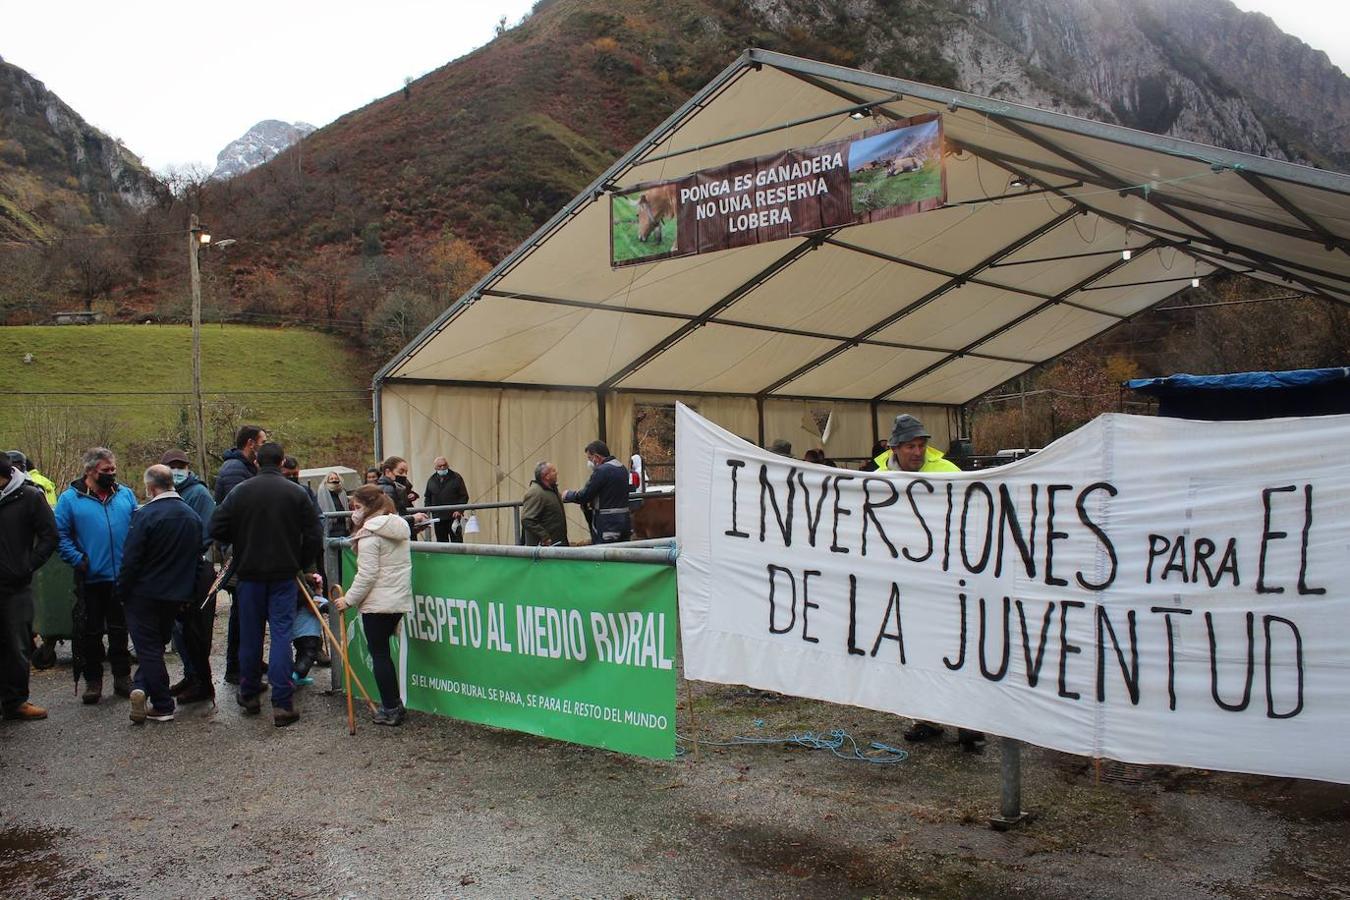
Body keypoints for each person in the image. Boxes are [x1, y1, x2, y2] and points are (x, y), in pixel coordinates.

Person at [875, 415, 982, 752]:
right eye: (910, 446)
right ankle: (925, 718)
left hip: (947, 579)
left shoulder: (948, 473)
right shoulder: (879, 479)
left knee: (958, 650)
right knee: (915, 651)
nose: (917, 451)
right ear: (895, 448)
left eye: (921, 445)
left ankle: (969, 722)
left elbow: (974, 512)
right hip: (905, 583)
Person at [209, 442, 322, 727]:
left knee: (251, 635)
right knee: (281, 635)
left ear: (257, 461)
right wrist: (299, 560)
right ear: (283, 462)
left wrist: (240, 541)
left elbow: (215, 527)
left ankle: (248, 694)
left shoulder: (240, 492)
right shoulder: (296, 493)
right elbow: (314, 535)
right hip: (284, 573)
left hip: (249, 574)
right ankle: (282, 703)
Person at [119, 466, 203, 725]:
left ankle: (163, 703)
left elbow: (132, 559)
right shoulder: (192, 516)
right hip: (175, 594)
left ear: (150, 488)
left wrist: (122, 590)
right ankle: (141, 686)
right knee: (156, 645)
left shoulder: (146, 516)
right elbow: (196, 558)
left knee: (148, 649)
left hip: (144, 592)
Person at [55, 447, 138, 704]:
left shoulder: (125, 494)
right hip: (91, 577)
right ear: (90, 471)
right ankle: (93, 681)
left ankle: (123, 677)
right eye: (106, 471)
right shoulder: (70, 499)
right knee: (90, 633)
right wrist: (78, 559)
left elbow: (137, 526)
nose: (111, 474)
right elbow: (60, 535)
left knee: (120, 629)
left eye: (113, 469)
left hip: (122, 577)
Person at [335, 485, 412, 725]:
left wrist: (348, 600)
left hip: (378, 603)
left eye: (357, 507)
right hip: (396, 599)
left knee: (380, 655)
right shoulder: (397, 525)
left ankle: (390, 707)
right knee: (384, 654)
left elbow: (367, 574)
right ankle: (395, 704)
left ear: (368, 507)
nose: (354, 513)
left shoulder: (369, 534)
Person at [0, 454, 57, 721]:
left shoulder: (30, 497)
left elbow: (49, 535)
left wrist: (27, 565)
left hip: (15, 586)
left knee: (17, 645)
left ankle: (16, 702)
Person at [160, 449, 217, 703]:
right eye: (171, 466)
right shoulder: (167, 494)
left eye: (180, 465)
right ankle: (190, 674)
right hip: (173, 570)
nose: (176, 470)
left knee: (196, 630)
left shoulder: (199, 494)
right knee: (179, 630)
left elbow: (206, 533)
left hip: (194, 570)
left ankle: (202, 682)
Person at [214, 425, 267, 686]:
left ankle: (250, 661)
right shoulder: (235, 471)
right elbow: (244, 511)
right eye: (262, 441)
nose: (264, 445)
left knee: (249, 611)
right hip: (240, 553)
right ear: (250, 444)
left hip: (244, 550)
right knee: (241, 613)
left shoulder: (244, 468)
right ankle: (236, 666)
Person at [563, 441, 631, 545]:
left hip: (607, 523)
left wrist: (568, 495)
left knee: (604, 555)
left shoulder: (602, 471)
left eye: (590, 458)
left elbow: (585, 495)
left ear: (597, 457)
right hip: (624, 520)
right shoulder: (622, 468)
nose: (590, 462)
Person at [213, 425, 268, 504]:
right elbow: (238, 505)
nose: (265, 447)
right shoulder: (234, 468)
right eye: (263, 443)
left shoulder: (248, 466)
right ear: (251, 443)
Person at [521, 462, 568, 547]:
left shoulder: (552, 490)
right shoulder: (536, 493)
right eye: (553, 471)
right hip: (545, 547)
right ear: (546, 476)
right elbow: (527, 519)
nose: (556, 472)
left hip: (557, 543)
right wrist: (544, 536)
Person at [423, 456, 468, 544]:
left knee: (457, 542)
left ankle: (458, 558)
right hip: (438, 518)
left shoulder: (456, 477)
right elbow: (427, 498)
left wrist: (459, 510)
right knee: (441, 543)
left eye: (444, 465)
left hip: (454, 517)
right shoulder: (431, 480)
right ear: (435, 467)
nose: (442, 468)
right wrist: (426, 514)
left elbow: (464, 496)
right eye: (440, 466)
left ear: (448, 465)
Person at [316, 471, 350, 583]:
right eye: (331, 478)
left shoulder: (342, 493)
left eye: (336, 478)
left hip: (343, 531)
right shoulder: (322, 492)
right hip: (331, 531)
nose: (334, 480)